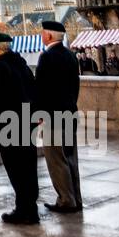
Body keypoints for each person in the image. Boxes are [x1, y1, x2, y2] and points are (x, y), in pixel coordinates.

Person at [0, 31, 39, 225]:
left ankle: (24, 210)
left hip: (8, 127)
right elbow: (34, 92)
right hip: (26, 123)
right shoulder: (21, 65)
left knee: (16, 168)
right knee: (28, 166)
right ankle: (30, 208)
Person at [35, 19, 83, 213]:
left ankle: (65, 199)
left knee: (56, 160)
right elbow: (75, 86)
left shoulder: (46, 58)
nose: (41, 36)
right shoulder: (71, 56)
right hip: (70, 112)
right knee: (71, 157)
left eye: (42, 33)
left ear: (48, 35)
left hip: (52, 116)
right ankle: (76, 198)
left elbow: (41, 89)